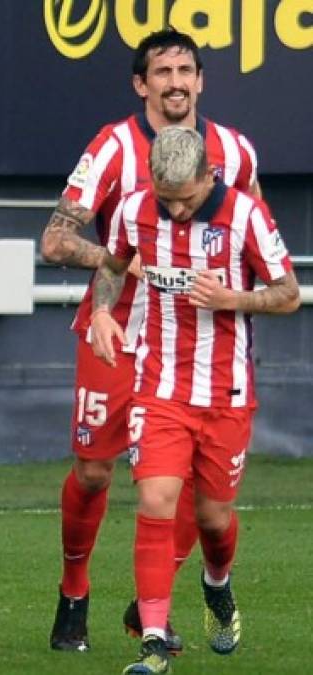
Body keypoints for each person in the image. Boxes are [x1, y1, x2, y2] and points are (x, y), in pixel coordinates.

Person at [40, 28, 261, 652]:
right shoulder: (114, 146)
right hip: (119, 332)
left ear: (201, 80)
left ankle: (150, 605)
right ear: (142, 85)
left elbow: (254, 232)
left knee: (185, 485)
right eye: (161, 72)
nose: (175, 83)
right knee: (91, 471)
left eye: (185, 70)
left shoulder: (235, 151)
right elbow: (55, 239)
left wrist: (234, 297)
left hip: (197, 346)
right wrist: (129, 263)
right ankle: (74, 591)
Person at [90, 125, 299, 674]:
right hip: (158, 387)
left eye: (185, 200)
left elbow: (289, 294)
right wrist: (101, 313)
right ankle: (154, 641)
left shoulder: (247, 217)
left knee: (212, 516)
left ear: (209, 177)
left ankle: (218, 583)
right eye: (167, 201)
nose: (176, 212)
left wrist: (234, 297)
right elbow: (112, 266)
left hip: (226, 393)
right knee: (156, 501)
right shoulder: (135, 210)